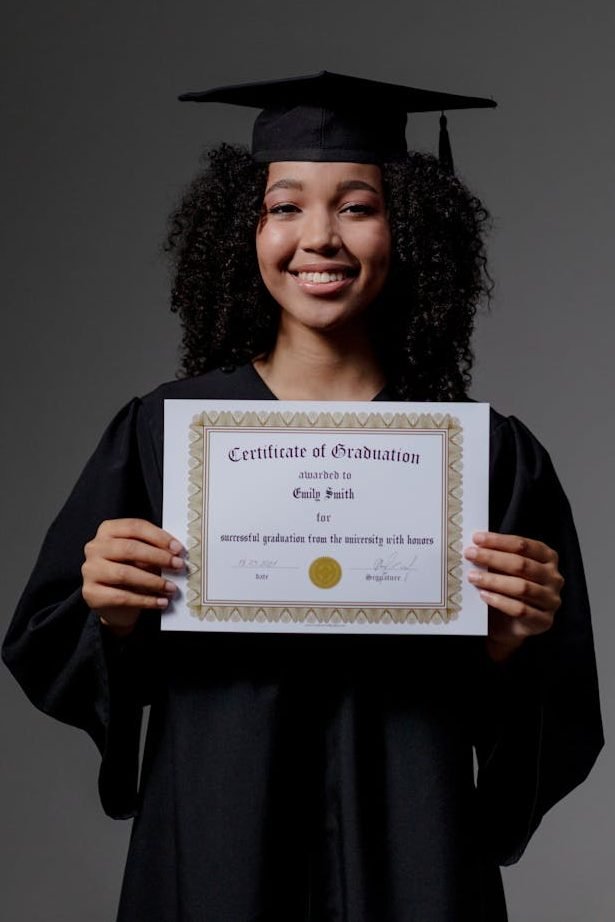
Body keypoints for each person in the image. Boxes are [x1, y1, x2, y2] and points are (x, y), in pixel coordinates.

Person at [2, 72, 603, 922]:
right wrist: (112, 613)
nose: (317, 236)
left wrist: (508, 649)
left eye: (357, 206)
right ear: (240, 231)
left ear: (412, 230)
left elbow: (554, 722)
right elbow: (49, 643)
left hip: (413, 846)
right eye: (283, 206)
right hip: (217, 839)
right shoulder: (164, 433)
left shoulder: (484, 457)